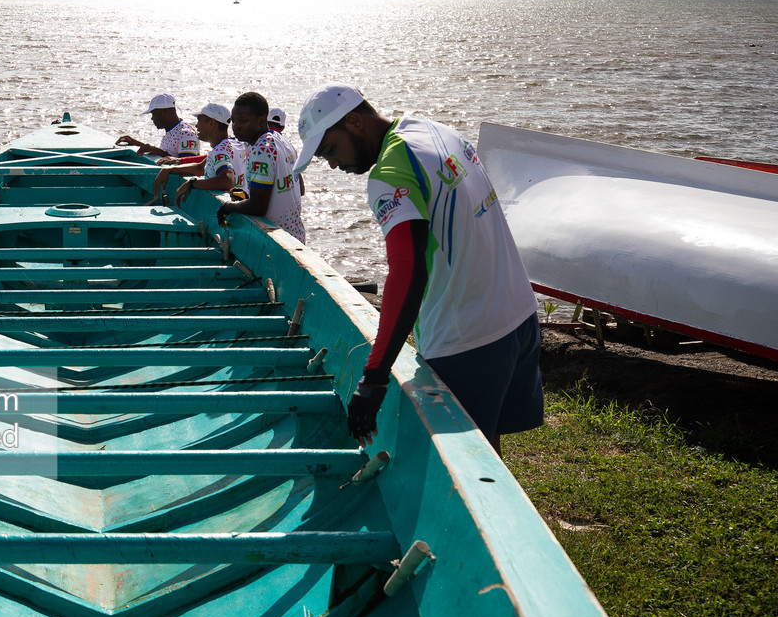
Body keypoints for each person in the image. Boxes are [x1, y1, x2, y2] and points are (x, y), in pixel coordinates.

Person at [293, 84, 541, 455]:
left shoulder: (389, 174)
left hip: (466, 339)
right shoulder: (432, 130)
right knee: (486, 449)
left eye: (329, 150)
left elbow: (407, 274)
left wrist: (374, 377)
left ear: (354, 122)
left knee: (461, 460)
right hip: (516, 314)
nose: (332, 165)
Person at [216, 92, 305, 242]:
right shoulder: (282, 141)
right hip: (296, 235)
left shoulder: (261, 150)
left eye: (243, 121)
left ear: (262, 120)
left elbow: (257, 207)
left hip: (276, 240)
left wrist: (228, 207)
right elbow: (300, 189)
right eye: (234, 122)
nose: (236, 127)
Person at [150, 102, 246, 205]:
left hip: (226, 212)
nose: (196, 125)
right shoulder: (235, 143)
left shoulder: (219, 151)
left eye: (199, 121)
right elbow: (200, 168)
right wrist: (169, 170)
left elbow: (227, 181)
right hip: (242, 202)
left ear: (212, 123)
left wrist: (192, 184)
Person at [116, 93, 201, 158]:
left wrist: (153, 149)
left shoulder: (186, 134)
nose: (152, 118)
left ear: (165, 112)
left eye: (154, 114)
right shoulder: (172, 131)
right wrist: (136, 143)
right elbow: (167, 154)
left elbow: (187, 166)